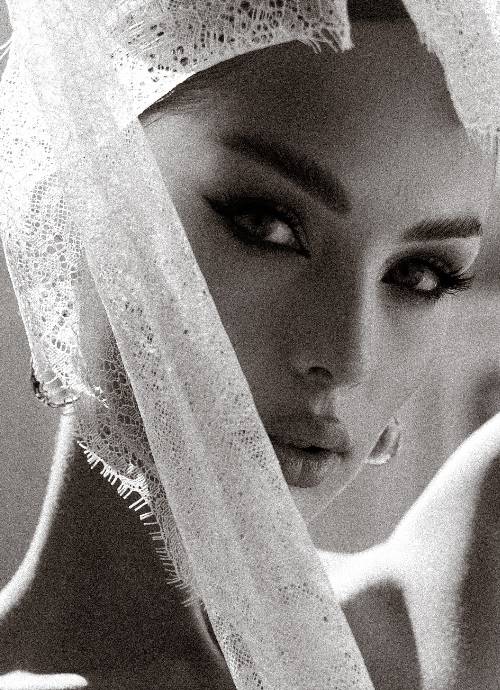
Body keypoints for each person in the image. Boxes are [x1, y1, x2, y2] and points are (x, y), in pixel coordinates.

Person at [0, 1, 499, 688]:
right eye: (267, 226)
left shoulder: (445, 623)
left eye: (419, 275)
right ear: (72, 197)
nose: (348, 357)